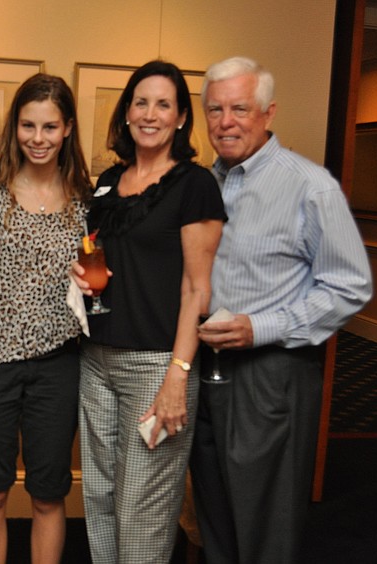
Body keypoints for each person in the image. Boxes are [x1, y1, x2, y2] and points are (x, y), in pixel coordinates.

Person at [190, 56, 373, 564]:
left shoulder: (310, 187)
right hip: (208, 373)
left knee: (267, 528)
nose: (226, 122)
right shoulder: (205, 184)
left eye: (240, 109)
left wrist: (260, 328)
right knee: (215, 521)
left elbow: (349, 287)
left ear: (268, 113)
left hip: (272, 375)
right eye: (215, 110)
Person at [74, 60, 226, 563]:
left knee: (143, 505)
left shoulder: (194, 185)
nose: (150, 113)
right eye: (141, 102)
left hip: (155, 365)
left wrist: (178, 375)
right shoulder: (108, 180)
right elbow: (100, 257)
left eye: (164, 104)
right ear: (127, 111)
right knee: (99, 495)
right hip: (96, 359)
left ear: (182, 117)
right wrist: (86, 276)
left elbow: (196, 289)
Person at [0, 73, 92, 564]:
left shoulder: (83, 199)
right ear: (14, 127)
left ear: (67, 130)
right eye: (28, 126)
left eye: (49, 127)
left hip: (58, 366)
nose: (37, 139)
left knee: (47, 493)